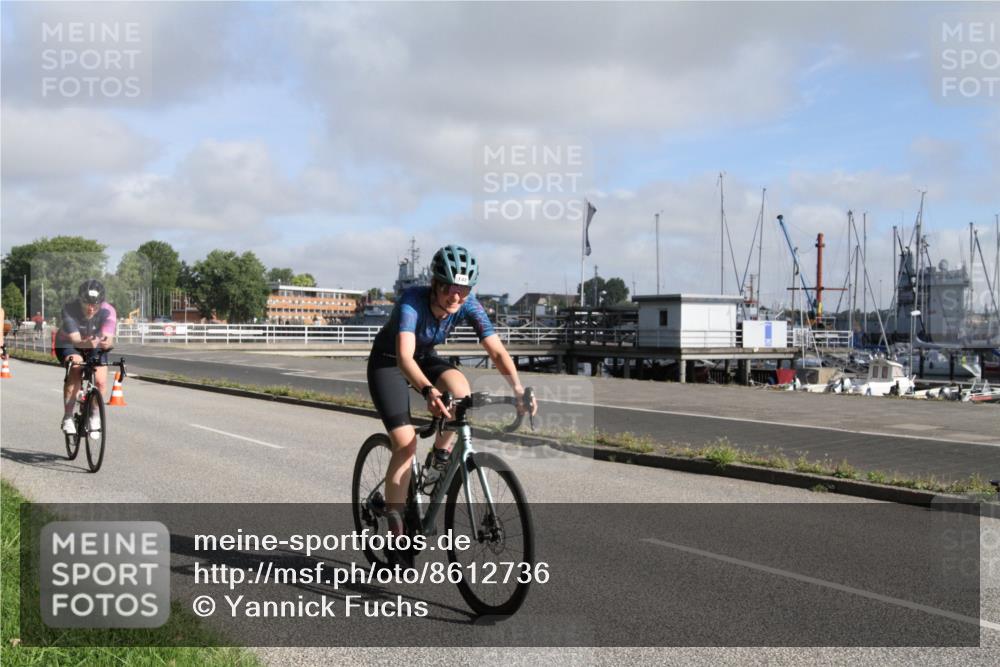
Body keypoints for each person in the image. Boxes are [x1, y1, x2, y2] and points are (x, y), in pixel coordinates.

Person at [367, 244, 536, 564]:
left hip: (425, 358)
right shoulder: (412, 302)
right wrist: (429, 392)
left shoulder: (469, 305)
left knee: (461, 390)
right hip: (389, 363)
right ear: (436, 284)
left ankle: (440, 457)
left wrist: (516, 388)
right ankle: (395, 530)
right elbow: (404, 357)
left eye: (463, 290)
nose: (455, 298)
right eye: (449, 289)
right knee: (405, 443)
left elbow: (497, 353)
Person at [56, 280, 117, 434]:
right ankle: (68, 416)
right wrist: (89, 342)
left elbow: (108, 337)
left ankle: (94, 415)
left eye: (95, 305)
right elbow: (76, 340)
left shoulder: (108, 310)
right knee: (76, 367)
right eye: (87, 304)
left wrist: (106, 342)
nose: (91, 308)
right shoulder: (69, 309)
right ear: (80, 300)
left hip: (94, 344)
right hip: (69, 343)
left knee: (101, 381)